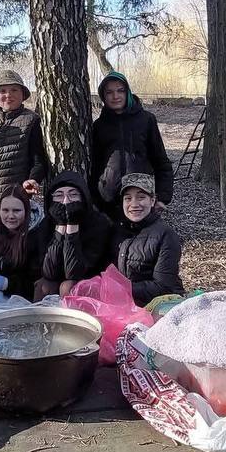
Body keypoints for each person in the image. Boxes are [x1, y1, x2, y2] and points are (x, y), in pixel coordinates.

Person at [90, 70, 174, 218]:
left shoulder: (146, 120)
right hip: (108, 203)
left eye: (120, 90)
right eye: (109, 92)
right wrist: (95, 200)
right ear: (103, 96)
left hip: (139, 200)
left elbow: (161, 162)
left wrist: (162, 197)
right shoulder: (99, 126)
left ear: (127, 92)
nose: (115, 96)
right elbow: (95, 166)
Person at [0, 69, 47, 230]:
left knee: (8, 250)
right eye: (3, 91)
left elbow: (38, 159)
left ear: (23, 94)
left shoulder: (31, 121)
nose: (8, 95)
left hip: (10, 203)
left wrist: (33, 179)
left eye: (14, 90)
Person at [34, 171, 112, 299]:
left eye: (73, 195)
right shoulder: (46, 224)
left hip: (88, 279)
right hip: (56, 278)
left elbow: (74, 273)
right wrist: (60, 227)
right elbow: (49, 272)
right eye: (59, 195)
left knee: (68, 286)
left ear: (83, 197)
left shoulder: (98, 224)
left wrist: (72, 226)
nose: (65, 201)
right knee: (44, 285)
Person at [110, 173, 184, 306]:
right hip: (124, 304)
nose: (134, 204)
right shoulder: (117, 230)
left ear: (152, 200)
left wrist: (124, 289)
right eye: (128, 198)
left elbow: (164, 287)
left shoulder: (165, 235)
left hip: (160, 306)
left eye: (141, 197)